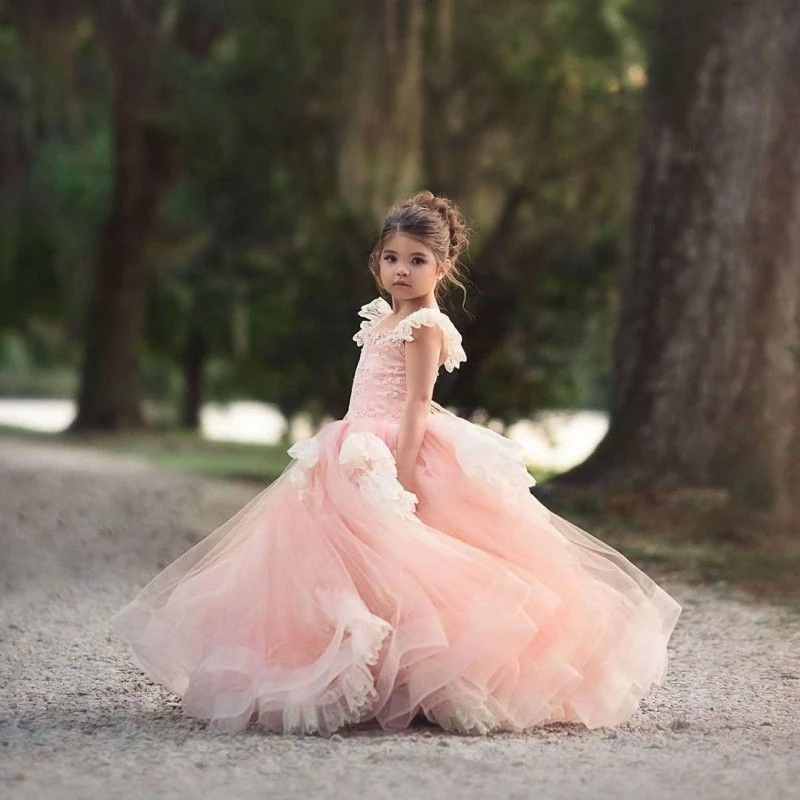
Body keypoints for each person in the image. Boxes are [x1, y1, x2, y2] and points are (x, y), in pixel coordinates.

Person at [111, 190, 682, 737]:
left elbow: (415, 403)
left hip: (394, 450)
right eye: (391, 258)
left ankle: (435, 676)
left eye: (417, 260)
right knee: (349, 558)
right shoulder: (382, 317)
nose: (402, 270)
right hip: (354, 443)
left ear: (444, 265)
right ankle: (379, 675)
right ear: (376, 263)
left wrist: (402, 471)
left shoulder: (425, 327)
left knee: (415, 561)